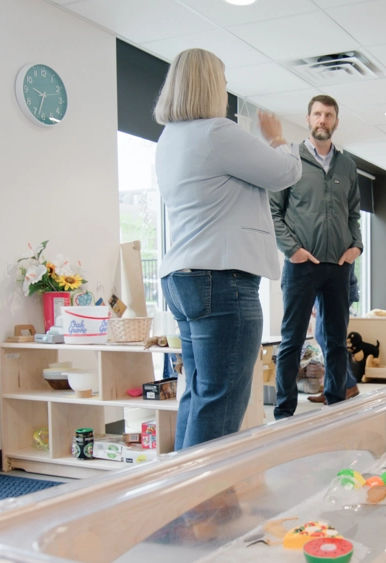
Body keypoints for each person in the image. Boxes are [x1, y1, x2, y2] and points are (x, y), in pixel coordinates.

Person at [154, 48, 302, 449]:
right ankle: (203, 505)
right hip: (220, 280)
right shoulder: (216, 131)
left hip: (183, 277)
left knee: (199, 392)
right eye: (221, 82)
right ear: (208, 86)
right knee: (220, 400)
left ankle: (181, 495)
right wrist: (277, 139)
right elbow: (285, 172)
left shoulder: (170, 139)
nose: (224, 90)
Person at [271, 95, 362, 419]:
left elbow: (353, 214)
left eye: (329, 115)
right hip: (301, 266)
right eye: (317, 114)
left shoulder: (347, 165)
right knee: (291, 342)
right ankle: (284, 413)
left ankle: (336, 408)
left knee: (336, 342)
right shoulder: (291, 160)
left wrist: (356, 247)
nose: (323, 120)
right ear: (308, 119)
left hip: (338, 266)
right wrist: (292, 250)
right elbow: (273, 211)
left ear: (335, 121)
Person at [308, 269, 361, 403]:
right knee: (323, 337)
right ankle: (333, 387)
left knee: (329, 338)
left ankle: (346, 385)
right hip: (326, 288)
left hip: (337, 287)